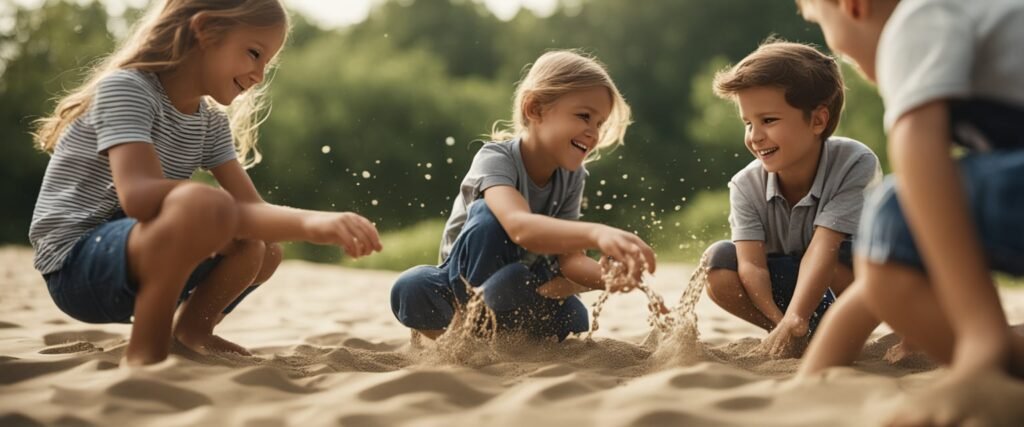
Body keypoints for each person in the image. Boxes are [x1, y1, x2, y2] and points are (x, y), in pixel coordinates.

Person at [30, 0, 381, 366]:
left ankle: (192, 332)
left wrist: (317, 223)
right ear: (206, 31)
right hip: (76, 265)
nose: (259, 74)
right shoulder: (127, 88)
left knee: (262, 246)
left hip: (139, 250)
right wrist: (213, 210)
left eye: (267, 63)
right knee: (201, 204)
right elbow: (137, 196)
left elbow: (252, 210)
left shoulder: (210, 123)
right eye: (253, 53)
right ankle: (145, 357)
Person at [796, 0, 1024, 424]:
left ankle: (991, 352)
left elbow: (916, 150)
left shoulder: (916, 17)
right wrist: (813, 374)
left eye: (829, 34)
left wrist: (980, 339)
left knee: (896, 211)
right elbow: (888, 272)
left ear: (854, 6)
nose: (843, 58)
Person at [390, 50, 656, 342]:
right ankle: (464, 335)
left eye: (600, 124)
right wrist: (596, 233)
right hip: (462, 287)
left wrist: (608, 277)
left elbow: (569, 261)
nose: (593, 132)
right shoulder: (495, 157)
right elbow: (518, 225)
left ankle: (501, 330)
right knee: (416, 282)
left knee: (570, 312)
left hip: (521, 284)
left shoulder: (573, 175)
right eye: (584, 116)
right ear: (535, 109)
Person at [703, 40, 880, 358]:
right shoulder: (745, 185)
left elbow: (824, 247)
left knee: (854, 258)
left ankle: (834, 327)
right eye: (748, 123)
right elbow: (752, 266)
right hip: (783, 277)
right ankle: (793, 336)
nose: (755, 136)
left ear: (818, 121)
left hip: (844, 272)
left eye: (768, 120)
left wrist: (798, 314)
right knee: (717, 263)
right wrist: (782, 321)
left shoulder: (854, 162)